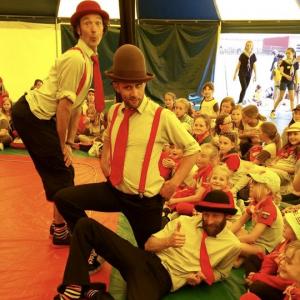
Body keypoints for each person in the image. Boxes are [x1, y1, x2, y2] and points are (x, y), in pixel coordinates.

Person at [54, 44, 200, 251]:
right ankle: (95, 246)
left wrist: (174, 182)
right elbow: (108, 137)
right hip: (115, 190)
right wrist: (104, 160)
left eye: (139, 86)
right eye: (128, 87)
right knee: (64, 199)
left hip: (144, 201)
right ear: (116, 86)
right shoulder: (114, 112)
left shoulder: (161, 116)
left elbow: (193, 149)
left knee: (147, 255)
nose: (134, 93)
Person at [11, 0, 109, 246]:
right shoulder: (76, 59)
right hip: (32, 115)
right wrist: (63, 144)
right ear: (78, 30)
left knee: (66, 171)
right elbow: (63, 107)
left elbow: (75, 108)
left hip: (42, 117)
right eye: (88, 24)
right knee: (61, 172)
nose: (94, 29)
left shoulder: (90, 60)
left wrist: (68, 141)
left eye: (98, 24)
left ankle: (59, 227)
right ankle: (77, 235)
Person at [54, 190, 241, 300]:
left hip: (163, 279)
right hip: (144, 260)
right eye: (205, 214)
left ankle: (95, 295)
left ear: (227, 216)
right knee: (86, 225)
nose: (208, 220)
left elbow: (222, 273)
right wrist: (167, 242)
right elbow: (149, 245)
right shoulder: (185, 222)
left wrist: (204, 277)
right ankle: (75, 287)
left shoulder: (232, 245)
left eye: (215, 216)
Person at [270, 47, 299, 119]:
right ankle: (273, 110)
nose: (287, 54)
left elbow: (296, 73)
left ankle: (293, 114)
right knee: (280, 97)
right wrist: (287, 76)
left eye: (289, 53)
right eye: (286, 53)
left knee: (292, 98)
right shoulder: (284, 62)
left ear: (293, 53)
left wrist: (297, 83)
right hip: (284, 81)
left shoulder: (296, 63)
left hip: (291, 82)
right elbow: (281, 72)